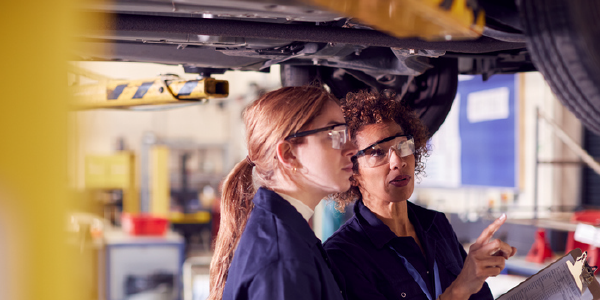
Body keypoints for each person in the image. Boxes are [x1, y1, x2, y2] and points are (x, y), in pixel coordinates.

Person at [324, 90, 516, 300]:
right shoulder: (343, 255)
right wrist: (459, 290)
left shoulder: (436, 224)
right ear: (352, 171)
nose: (398, 161)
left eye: (403, 146)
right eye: (378, 152)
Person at [209, 86, 358, 300]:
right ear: (288, 154)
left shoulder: (286, 237)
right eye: (334, 134)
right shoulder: (284, 259)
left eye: (346, 133)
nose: (352, 147)